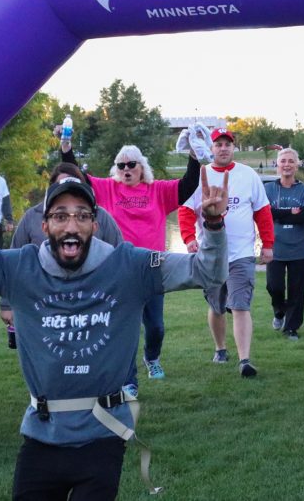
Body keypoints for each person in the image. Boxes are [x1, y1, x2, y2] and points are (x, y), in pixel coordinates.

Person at [0, 136, 229, 500]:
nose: (71, 226)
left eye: (81, 216)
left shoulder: (129, 265)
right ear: (44, 226)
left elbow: (208, 272)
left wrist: (213, 225)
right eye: (60, 216)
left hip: (103, 434)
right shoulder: (19, 267)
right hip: (42, 435)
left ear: (95, 224)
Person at [61, 140, 201, 380]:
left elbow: (188, 184)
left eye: (131, 165)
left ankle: (152, 357)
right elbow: (78, 178)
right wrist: (66, 150)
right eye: (121, 165)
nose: (126, 169)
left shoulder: (158, 190)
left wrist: (194, 155)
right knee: (124, 328)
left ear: (141, 167)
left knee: (156, 326)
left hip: (152, 267)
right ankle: (128, 378)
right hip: (120, 269)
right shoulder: (108, 189)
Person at [179, 128, 274, 377]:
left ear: (234, 148)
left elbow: (262, 211)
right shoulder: (201, 175)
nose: (223, 148)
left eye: (227, 144)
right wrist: (189, 238)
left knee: (241, 305)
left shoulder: (248, 175)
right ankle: (220, 348)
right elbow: (186, 210)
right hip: (211, 253)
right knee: (217, 306)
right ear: (211, 148)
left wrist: (268, 243)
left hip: (241, 253)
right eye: (218, 144)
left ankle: (244, 359)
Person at [0, 162, 124, 331]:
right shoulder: (31, 218)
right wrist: (7, 304)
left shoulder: (101, 217)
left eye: (74, 185)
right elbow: (12, 262)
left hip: (91, 302)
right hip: (44, 303)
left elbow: (120, 260)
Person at [263, 147, 304, 341]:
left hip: (299, 248)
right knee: (274, 286)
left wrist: (279, 213)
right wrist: (289, 212)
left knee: (297, 290)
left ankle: (291, 328)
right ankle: (279, 312)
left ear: (297, 164)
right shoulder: (268, 189)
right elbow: (266, 214)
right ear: (277, 164)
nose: (287, 164)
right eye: (283, 161)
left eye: (291, 161)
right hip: (274, 247)